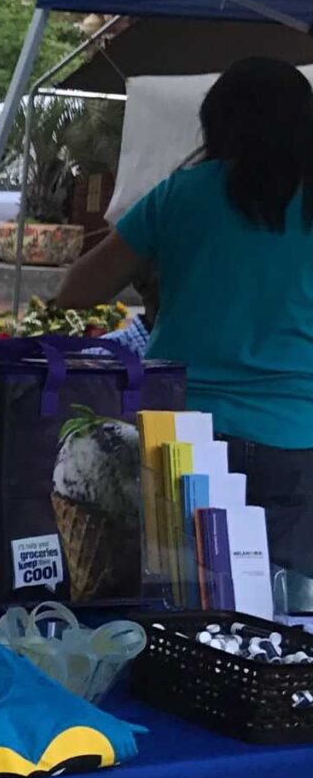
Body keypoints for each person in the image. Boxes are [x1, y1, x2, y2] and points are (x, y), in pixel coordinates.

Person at [56, 55, 313, 573]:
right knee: (288, 614)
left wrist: (156, 264)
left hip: (183, 433)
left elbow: (75, 290)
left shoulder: (180, 195)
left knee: (179, 601)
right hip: (297, 433)